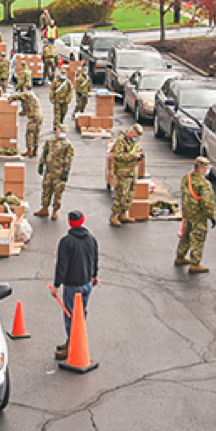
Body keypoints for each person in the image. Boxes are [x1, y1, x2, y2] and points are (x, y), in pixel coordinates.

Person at [48, 210, 99, 362]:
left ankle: (73, 345)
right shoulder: (91, 239)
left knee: (71, 317)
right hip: (87, 283)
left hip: (73, 286)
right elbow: (94, 259)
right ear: (82, 220)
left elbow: (62, 265)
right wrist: (94, 275)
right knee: (81, 314)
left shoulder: (66, 241)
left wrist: (56, 285)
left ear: (69, 222)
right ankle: (72, 341)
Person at [175, 157, 216, 273]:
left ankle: (180, 256)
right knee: (198, 238)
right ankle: (195, 264)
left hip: (188, 213)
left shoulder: (186, 178)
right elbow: (207, 202)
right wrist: (211, 216)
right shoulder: (204, 184)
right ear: (202, 168)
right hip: (199, 215)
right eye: (206, 168)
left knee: (186, 236)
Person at [109, 126, 143, 227]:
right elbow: (117, 156)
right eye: (135, 136)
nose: (136, 138)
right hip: (123, 172)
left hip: (132, 172)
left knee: (130, 194)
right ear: (131, 132)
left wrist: (140, 155)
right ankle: (114, 215)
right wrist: (131, 156)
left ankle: (123, 214)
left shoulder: (135, 141)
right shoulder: (121, 141)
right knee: (121, 195)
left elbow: (139, 149)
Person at [36, 131, 75, 220]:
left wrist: (66, 172)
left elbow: (69, 159)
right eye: (58, 130)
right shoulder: (50, 141)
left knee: (58, 191)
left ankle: (55, 210)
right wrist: (41, 163)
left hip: (59, 171)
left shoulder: (67, 144)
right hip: (49, 170)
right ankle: (44, 208)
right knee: (46, 189)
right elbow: (45, 152)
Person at [5, 88, 43, 157]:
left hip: (33, 116)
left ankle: (29, 150)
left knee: (29, 133)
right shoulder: (32, 95)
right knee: (36, 134)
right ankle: (35, 150)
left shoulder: (27, 94)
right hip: (39, 116)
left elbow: (17, 96)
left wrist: (9, 99)